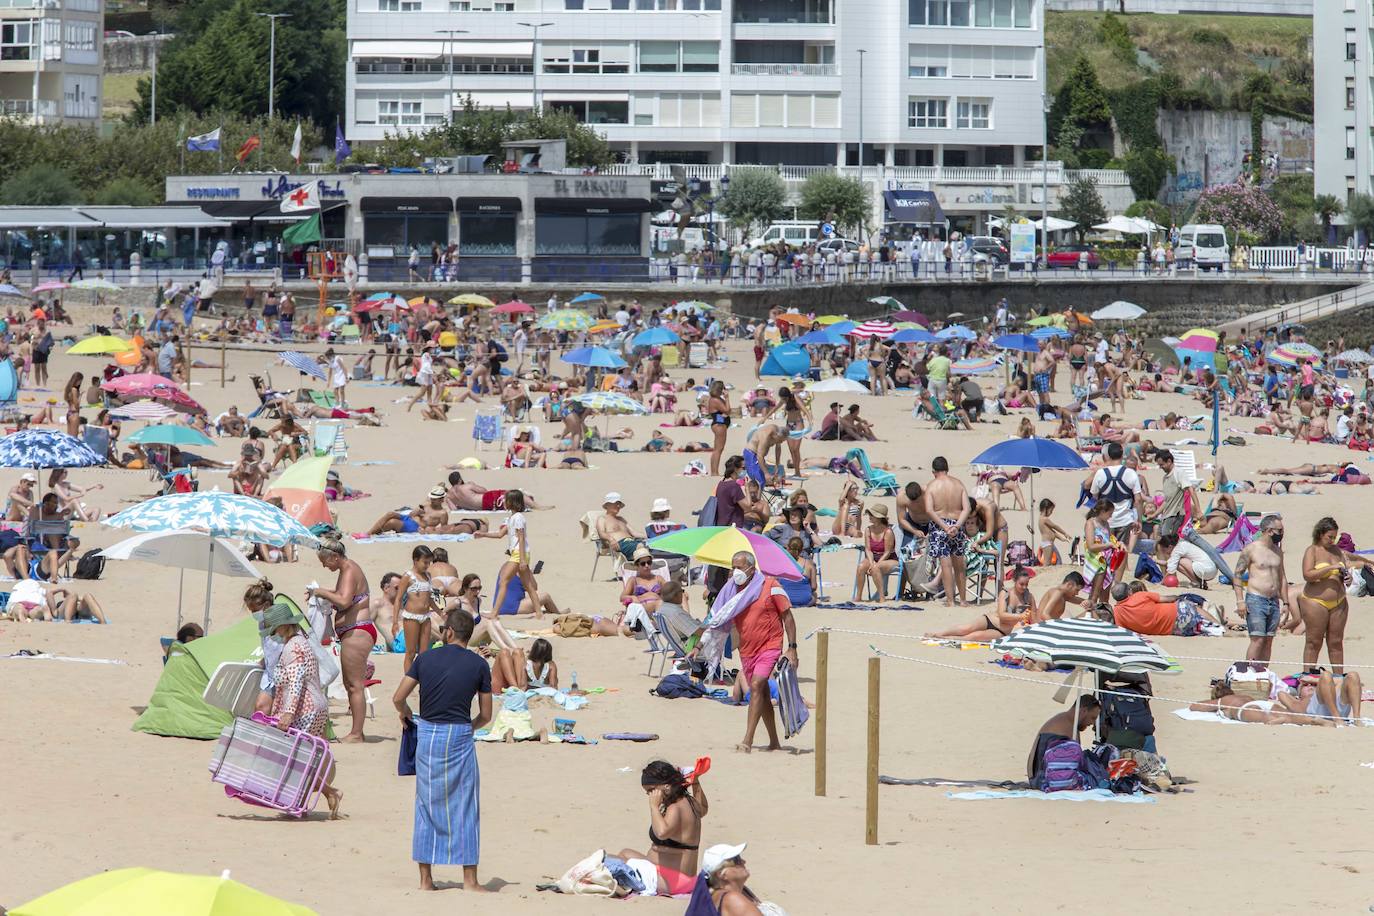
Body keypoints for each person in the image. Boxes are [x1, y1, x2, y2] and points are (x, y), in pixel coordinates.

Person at [393, 610, 493, 893]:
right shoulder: (479, 665)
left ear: (448, 632)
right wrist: (469, 727)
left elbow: (398, 697)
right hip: (460, 732)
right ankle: (470, 881)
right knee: (465, 804)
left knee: (426, 803)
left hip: (428, 732)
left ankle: (426, 880)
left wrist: (407, 714)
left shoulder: (424, 659)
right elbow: (486, 715)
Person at [261, 601, 343, 818]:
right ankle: (303, 803)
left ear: (283, 626)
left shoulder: (293, 647)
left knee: (297, 760)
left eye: (276, 629)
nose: (275, 634)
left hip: (304, 709)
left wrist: (287, 712)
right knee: (303, 759)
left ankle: (325, 794)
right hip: (315, 707)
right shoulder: (302, 641)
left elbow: (296, 682)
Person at [720, 551, 797, 754]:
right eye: (733, 566)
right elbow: (718, 617)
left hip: (770, 645)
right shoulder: (731, 591)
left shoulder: (771, 586)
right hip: (747, 649)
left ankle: (747, 740)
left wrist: (792, 647)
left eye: (739, 567)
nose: (735, 571)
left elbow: (788, 617)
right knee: (761, 693)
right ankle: (774, 742)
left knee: (756, 685)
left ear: (751, 569)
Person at [308, 535, 372, 743]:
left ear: (335, 557)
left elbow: (344, 601)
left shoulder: (350, 569)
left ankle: (356, 733)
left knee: (355, 685)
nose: (325, 566)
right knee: (350, 684)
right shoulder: (346, 569)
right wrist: (322, 594)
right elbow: (342, 595)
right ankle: (356, 732)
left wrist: (320, 592)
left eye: (324, 561)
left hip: (357, 631)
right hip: (353, 631)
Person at [615, 760, 709, 897]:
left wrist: (653, 806)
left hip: (670, 881)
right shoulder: (689, 801)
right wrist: (695, 782)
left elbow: (662, 833)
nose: (650, 795)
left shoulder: (675, 807)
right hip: (681, 877)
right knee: (625, 853)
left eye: (651, 790)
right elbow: (703, 809)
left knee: (606, 862)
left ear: (666, 786)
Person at [1298, 517, 1373, 675]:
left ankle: (1339, 677)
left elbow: (1347, 570)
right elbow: (1307, 574)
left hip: (1338, 601)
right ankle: (1308, 676)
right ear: (1320, 534)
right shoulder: (1312, 550)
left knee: (1336, 642)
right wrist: (1329, 568)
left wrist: (1348, 578)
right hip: (1316, 601)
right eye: (1329, 537)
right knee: (1314, 641)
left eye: (1334, 537)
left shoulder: (1338, 551)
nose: (1332, 540)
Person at [926, 565, 1035, 641]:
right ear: (1015, 581)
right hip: (991, 620)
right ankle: (939, 633)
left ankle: (945, 639)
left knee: (973, 637)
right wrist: (1019, 616)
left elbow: (1034, 616)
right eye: (1021, 584)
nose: (1024, 587)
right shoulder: (1005, 593)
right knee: (967, 628)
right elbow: (1002, 615)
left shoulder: (1029, 597)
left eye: (1027, 584)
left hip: (1003, 631)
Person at [1233, 513, 1288, 663]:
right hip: (1256, 599)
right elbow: (1237, 574)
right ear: (1269, 530)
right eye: (1279, 530)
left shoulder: (1277, 551)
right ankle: (1249, 672)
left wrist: (1287, 603)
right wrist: (1240, 601)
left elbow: (1282, 577)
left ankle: (1262, 674)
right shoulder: (1251, 549)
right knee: (1257, 639)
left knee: (1268, 640)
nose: (1282, 534)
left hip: (1274, 601)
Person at [485, 489, 541, 623]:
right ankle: (539, 613)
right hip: (518, 553)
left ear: (512, 502)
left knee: (503, 581)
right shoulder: (512, 518)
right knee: (528, 585)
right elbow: (500, 534)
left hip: (518, 554)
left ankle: (494, 613)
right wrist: (483, 534)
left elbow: (521, 539)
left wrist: (522, 560)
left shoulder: (518, 518)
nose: (504, 502)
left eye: (506, 500)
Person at [922, 456, 971, 607]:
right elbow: (967, 508)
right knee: (959, 565)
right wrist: (956, 526)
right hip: (957, 525)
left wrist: (944, 527)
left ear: (933, 472)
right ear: (947, 469)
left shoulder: (931, 486)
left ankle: (951, 601)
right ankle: (963, 600)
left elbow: (929, 510)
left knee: (946, 566)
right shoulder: (958, 484)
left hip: (940, 526)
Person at [1027, 695, 1101, 787]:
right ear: (1084, 711)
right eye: (1093, 718)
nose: (1092, 723)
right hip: (1044, 780)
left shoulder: (1067, 722)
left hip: (1038, 778)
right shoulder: (1065, 727)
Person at [1089, 442, 1142, 559]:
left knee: (1106, 552)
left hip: (1106, 519)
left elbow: (1095, 496)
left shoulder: (1100, 473)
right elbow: (1138, 500)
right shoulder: (1131, 473)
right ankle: (1120, 575)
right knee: (1122, 552)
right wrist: (1139, 520)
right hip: (1125, 519)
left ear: (1107, 456)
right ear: (1122, 454)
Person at [394, 545, 437, 674]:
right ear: (415, 560)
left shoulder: (428, 576)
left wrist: (441, 612)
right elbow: (398, 599)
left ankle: (422, 678)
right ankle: (408, 679)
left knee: (424, 653)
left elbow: (429, 599)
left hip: (426, 617)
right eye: (425, 562)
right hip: (411, 617)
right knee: (411, 652)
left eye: (429, 562)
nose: (427, 565)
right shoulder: (408, 576)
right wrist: (395, 621)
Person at [856, 503, 898, 602]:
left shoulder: (888, 532)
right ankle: (858, 597)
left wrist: (876, 564)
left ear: (879, 518)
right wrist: (871, 563)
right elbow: (868, 549)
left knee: (876, 568)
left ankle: (882, 597)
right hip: (873, 557)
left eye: (872, 515)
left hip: (889, 559)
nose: (870, 517)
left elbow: (887, 552)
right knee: (861, 567)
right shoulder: (868, 530)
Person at [489, 638, 559, 692]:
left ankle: (516, 688)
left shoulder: (527, 666)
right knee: (510, 652)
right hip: (515, 686)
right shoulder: (550, 665)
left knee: (514, 652)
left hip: (508, 686)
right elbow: (553, 686)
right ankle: (516, 688)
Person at [596, 492, 642, 560]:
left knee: (650, 545)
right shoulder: (602, 519)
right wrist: (611, 539)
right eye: (616, 503)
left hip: (632, 542)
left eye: (619, 504)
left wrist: (650, 537)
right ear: (607, 505)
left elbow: (634, 533)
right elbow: (601, 533)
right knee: (641, 547)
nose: (618, 506)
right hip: (620, 544)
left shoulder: (621, 519)